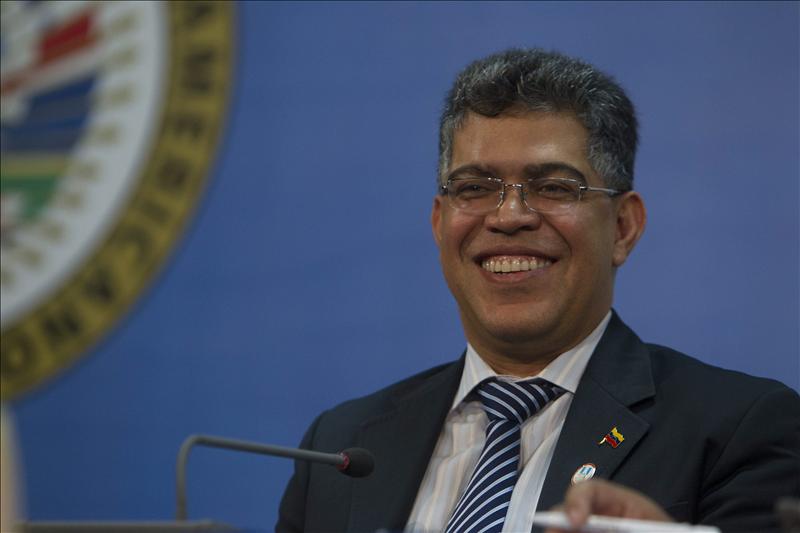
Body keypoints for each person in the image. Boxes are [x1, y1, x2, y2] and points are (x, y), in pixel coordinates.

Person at [276, 48, 800, 533]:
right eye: (474, 188)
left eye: (553, 187)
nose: (509, 217)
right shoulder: (342, 443)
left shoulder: (740, 430)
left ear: (623, 227)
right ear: (439, 224)